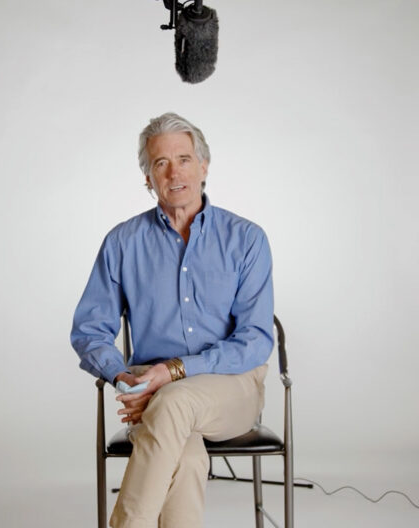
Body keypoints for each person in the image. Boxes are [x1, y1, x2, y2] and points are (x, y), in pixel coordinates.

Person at [71, 112, 274, 528]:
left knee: (176, 399)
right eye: (160, 163)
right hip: (150, 390)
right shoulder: (123, 242)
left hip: (231, 388)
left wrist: (176, 371)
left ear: (204, 166)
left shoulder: (247, 239)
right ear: (148, 178)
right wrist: (124, 378)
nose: (174, 172)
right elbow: (90, 330)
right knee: (187, 459)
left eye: (184, 159)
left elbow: (255, 340)